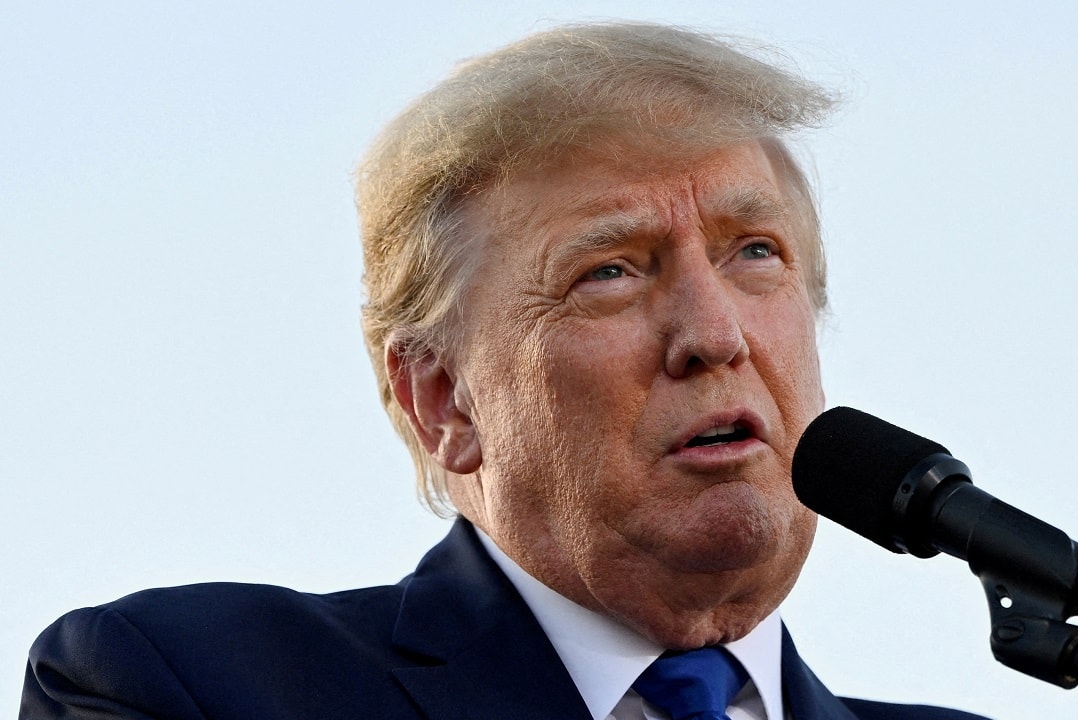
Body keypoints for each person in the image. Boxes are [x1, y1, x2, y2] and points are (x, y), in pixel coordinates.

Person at [22, 22, 990, 720]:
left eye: (754, 254)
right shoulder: (183, 684)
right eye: (609, 271)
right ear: (442, 399)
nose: (714, 333)